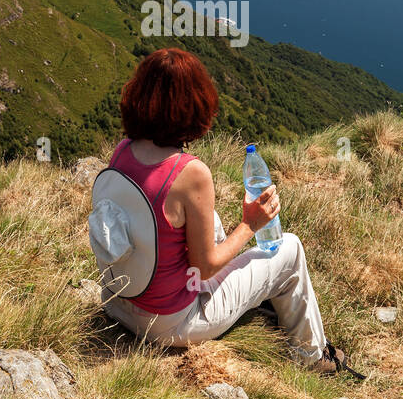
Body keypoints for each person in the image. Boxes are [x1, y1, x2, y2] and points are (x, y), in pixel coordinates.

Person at [100, 47, 352, 374]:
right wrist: (250, 224)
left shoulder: (122, 153)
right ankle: (313, 357)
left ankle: (260, 299)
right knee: (289, 249)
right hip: (169, 324)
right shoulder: (190, 173)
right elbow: (204, 268)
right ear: (194, 105)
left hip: (117, 302)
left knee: (210, 221)